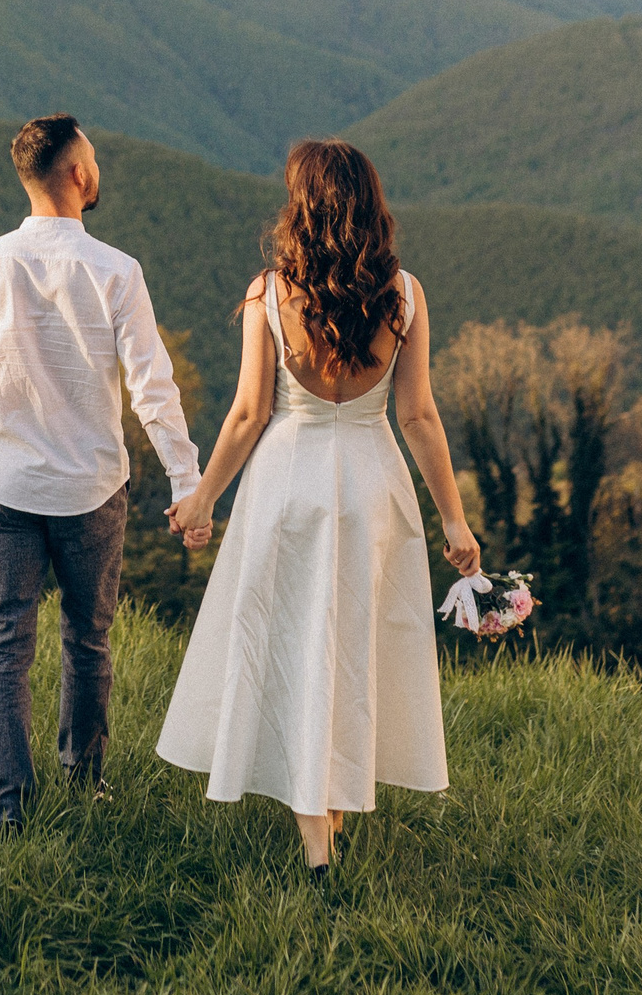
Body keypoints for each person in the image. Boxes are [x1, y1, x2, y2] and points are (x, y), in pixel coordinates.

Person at [156, 139, 482, 879]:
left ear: (303, 207)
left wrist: (202, 500)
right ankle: (329, 813)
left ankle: (316, 838)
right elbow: (421, 416)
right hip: (374, 486)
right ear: (371, 204)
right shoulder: (404, 294)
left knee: (295, 648)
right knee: (352, 648)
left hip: (286, 485)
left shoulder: (268, 294)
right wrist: (454, 522)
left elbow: (245, 415)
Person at [0, 113, 206, 838]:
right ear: (78, 175)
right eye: (95, 156)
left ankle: (5, 807)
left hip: (3, 480)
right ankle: (85, 782)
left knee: (6, 641)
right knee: (87, 638)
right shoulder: (117, 271)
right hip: (91, 489)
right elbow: (154, 388)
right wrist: (189, 485)